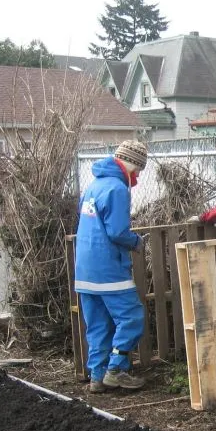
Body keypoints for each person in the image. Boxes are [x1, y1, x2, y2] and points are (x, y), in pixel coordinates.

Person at [74, 140, 149, 394]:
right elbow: (117, 231)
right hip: (108, 269)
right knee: (132, 317)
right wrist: (137, 242)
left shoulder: (93, 186)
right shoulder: (117, 188)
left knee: (98, 325)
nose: (138, 176)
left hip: (84, 270)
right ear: (132, 164)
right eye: (138, 170)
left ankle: (97, 377)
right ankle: (116, 370)